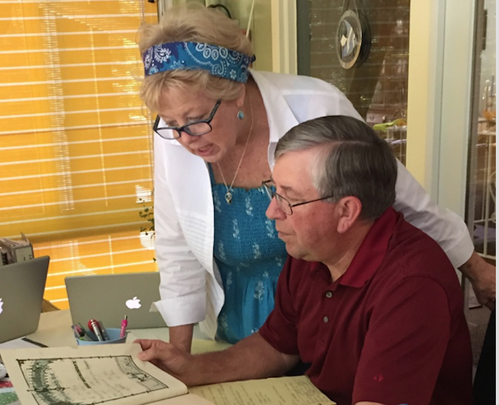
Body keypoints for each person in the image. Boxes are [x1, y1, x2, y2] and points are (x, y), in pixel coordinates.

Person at [138, 3, 495, 351]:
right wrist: (179, 358)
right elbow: (176, 248)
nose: (184, 137)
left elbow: (403, 199)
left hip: (328, 323)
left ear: (235, 91)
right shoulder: (180, 134)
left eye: (196, 118)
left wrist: (478, 271)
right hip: (239, 330)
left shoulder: (315, 107)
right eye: (171, 124)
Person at [136, 116, 474, 405]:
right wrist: (191, 367)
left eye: (288, 199)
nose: (272, 212)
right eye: (274, 191)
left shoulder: (411, 286)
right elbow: (276, 345)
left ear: (346, 212)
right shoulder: (312, 250)